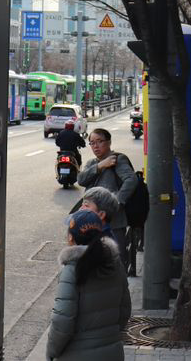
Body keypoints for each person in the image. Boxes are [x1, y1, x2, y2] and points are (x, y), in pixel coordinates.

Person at [45, 209, 131, 361]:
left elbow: (62, 321)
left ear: (71, 237)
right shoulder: (115, 264)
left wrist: (51, 351)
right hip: (112, 352)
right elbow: (125, 310)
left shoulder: (72, 270)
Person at [76, 128, 137, 266]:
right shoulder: (93, 163)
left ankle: (119, 286)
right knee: (94, 259)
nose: (96, 146)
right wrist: (100, 166)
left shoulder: (118, 159)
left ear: (108, 142)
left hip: (113, 220)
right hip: (92, 220)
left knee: (116, 259)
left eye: (99, 141)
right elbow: (81, 179)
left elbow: (131, 180)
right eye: (92, 143)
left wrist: (116, 202)